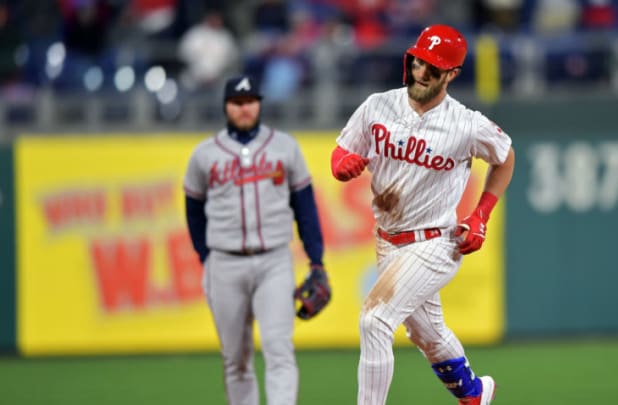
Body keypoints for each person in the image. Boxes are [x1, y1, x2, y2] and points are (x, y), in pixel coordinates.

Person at [330, 24, 515, 405]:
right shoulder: (377, 105)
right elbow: (342, 149)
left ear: (452, 74)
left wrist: (481, 214)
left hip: (435, 243)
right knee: (427, 334)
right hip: (389, 242)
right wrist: (342, 163)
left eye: (434, 67)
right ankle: (475, 395)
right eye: (419, 62)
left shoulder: (466, 124)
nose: (422, 71)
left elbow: (505, 156)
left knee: (375, 319)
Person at [183, 74, 330, 405]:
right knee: (236, 359)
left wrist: (316, 259)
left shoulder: (284, 147)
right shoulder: (204, 154)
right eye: (237, 102)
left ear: (260, 103)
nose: (245, 108)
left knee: (280, 350)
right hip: (224, 262)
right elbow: (194, 212)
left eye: (250, 101)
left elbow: (305, 208)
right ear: (226, 107)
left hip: (274, 261)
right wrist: (207, 258)